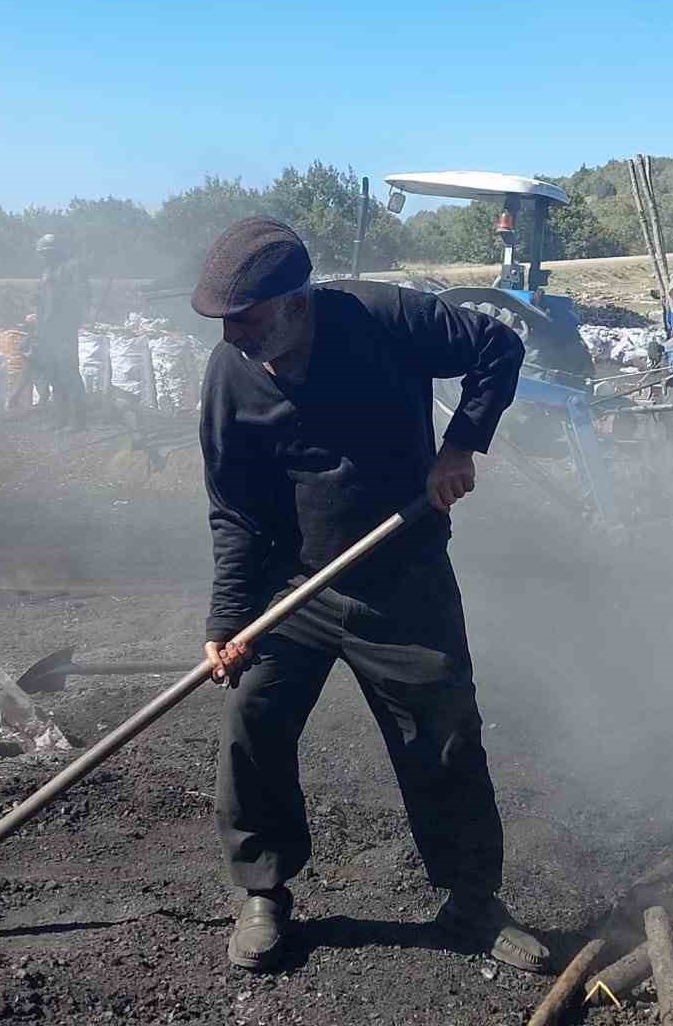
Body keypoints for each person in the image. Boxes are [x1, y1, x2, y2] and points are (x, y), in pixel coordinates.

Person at [192, 216, 549, 976]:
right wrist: (231, 618)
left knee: (444, 735)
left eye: (249, 321)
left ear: (295, 301)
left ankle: (472, 902)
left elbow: (498, 347)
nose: (236, 338)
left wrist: (461, 445)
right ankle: (262, 889)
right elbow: (235, 510)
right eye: (227, 324)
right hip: (295, 587)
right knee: (252, 721)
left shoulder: (381, 318)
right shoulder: (231, 377)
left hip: (402, 574)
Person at [33, 234, 89, 430]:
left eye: (47, 253)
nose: (45, 257)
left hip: (65, 328)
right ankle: (59, 419)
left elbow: (82, 294)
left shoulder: (72, 267)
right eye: (42, 254)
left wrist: (69, 314)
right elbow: (40, 298)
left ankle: (77, 420)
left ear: (56, 251)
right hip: (48, 329)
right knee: (54, 374)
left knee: (69, 372)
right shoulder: (47, 270)